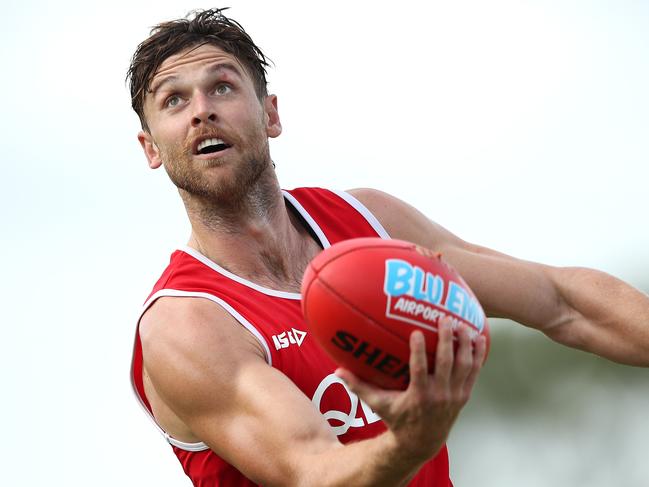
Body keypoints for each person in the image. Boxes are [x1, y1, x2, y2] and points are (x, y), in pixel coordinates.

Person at [127, 8, 649, 487]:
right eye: (174, 99)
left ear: (270, 115)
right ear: (151, 148)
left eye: (222, 87)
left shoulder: (369, 225)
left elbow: (562, 302)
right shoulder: (187, 324)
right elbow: (313, 472)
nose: (201, 112)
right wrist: (412, 441)